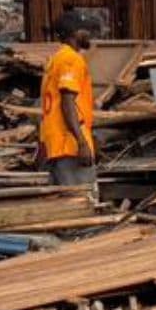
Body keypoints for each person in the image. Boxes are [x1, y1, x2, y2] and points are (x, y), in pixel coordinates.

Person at [38, 13, 97, 188]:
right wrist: (82, 142)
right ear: (75, 33)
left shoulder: (56, 59)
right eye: (85, 30)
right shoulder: (71, 59)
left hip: (56, 144)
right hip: (69, 146)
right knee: (82, 202)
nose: (89, 35)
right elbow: (67, 102)